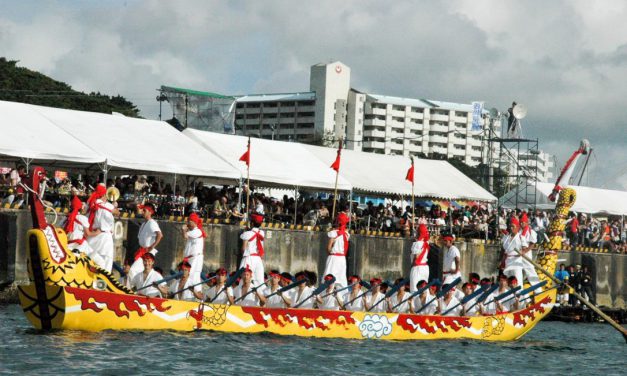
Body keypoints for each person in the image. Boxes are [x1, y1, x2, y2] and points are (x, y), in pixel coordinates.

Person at [86, 184, 117, 272]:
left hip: (93, 235)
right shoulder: (105, 205)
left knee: (90, 257)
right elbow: (117, 212)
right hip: (104, 236)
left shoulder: (91, 203)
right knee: (106, 260)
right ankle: (104, 280)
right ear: (103, 195)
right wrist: (114, 205)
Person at [129, 203, 162, 281]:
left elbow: (160, 235)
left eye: (144, 210)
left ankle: (133, 288)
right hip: (142, 251)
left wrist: (152, 246)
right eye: (142, 210)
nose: (143, 212)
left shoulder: (152, 223)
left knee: (133, 270)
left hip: (147, 252)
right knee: (142, 272)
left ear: (150, 212)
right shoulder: (144, 223)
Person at [64, 195, 98, 261]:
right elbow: (88, 234)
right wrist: (98, 232)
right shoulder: (82, 218)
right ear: (81, 208)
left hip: (67, 246)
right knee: (100, 261)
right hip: (80, 246)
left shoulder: (65, 219)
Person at [323, 212, 350, 288]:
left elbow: (329, 247)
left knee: (329, 275)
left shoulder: (333, 233)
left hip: (333, 257)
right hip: (342, 258)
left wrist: (330, 253)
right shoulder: (347, 234)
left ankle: (327, 292)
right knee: (341, 277)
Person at [239, 213, 266, 287]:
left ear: (252, 223)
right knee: (259, 280)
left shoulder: (247, 233)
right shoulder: (262, 233)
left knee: (244, 280)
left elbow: (243, 248)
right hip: (258, 258)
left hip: (248, 258)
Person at [519, 212, 542, 291]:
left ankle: (538, 289)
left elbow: (532, 244)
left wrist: (525, 251)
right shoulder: (519, 231)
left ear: (526, 222)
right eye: (521, 222)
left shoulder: (531, 232)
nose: (522, 224)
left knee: (530, 270)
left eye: (523, 222)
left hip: (526, 254)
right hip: (518, 253)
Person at [500, 216, 524, 286]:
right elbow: (503, 249)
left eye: (513, 226)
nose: (511, 228)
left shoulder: (521, 237)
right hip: (507, 260)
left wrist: (523, 252)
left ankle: (520, 295)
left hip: (516, 261)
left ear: (517, 227)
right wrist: (501, 260)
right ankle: (507, 295)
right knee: (506, 280)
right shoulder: (506, 237)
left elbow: (525, 248)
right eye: (510, 226)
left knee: (517, 280)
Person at [182, 212, 205, 278]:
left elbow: (185, 236)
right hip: (190, 258)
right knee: (188, 277)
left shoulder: (197, 231)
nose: (187, 223)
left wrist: (183, 230)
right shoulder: (192, 231)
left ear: (193, 222)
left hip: (195, 258)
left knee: (193, 277)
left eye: (189, 221)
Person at [409, 223, 430, 292]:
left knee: (414, 289)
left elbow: (416, 257)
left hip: (417, 267)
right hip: (425, 268)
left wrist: (411, 266)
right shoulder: (426, 243)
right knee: (424, 289)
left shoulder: (417, 243)